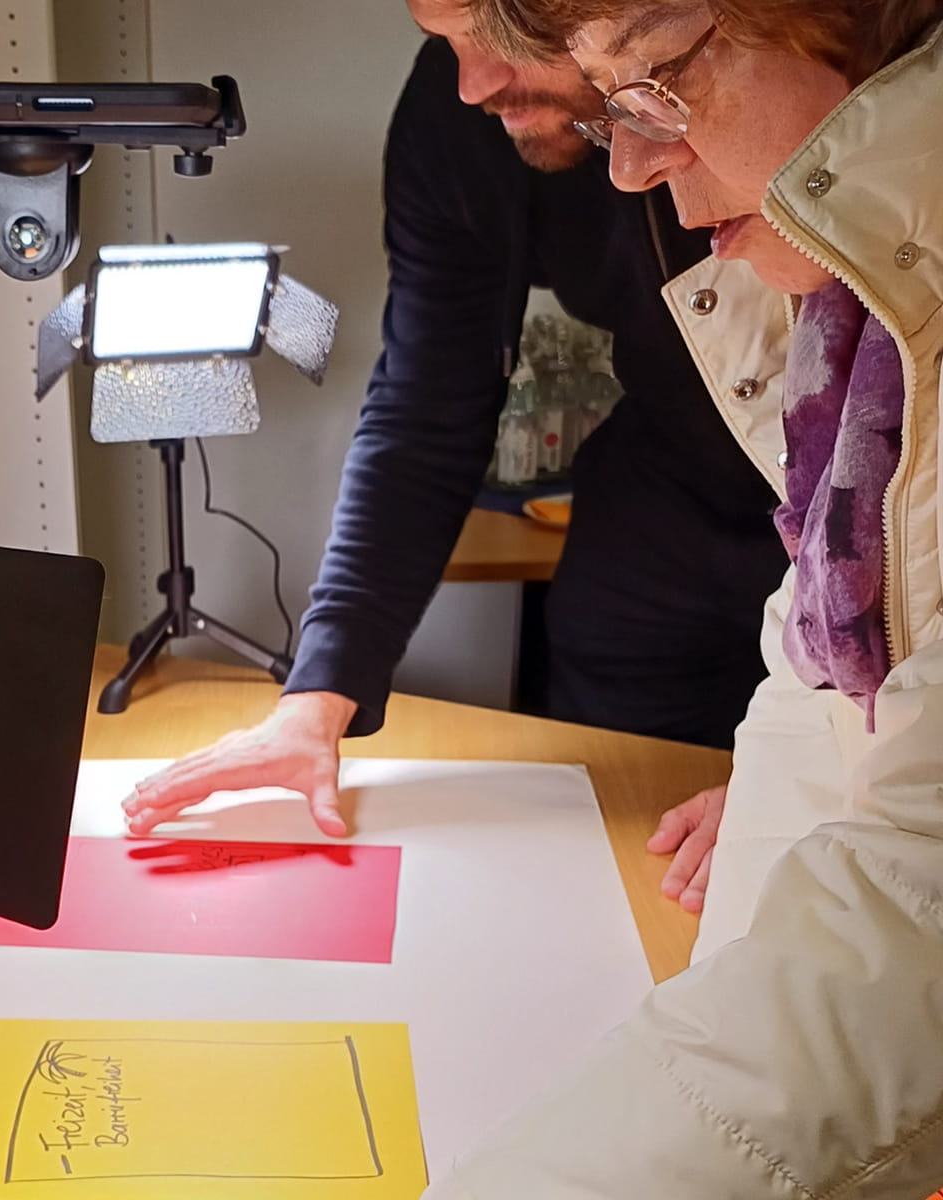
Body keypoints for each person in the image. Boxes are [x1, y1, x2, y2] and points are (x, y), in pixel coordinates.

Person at [408, 0, 943, 1192]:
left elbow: (912, 924)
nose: (631, 169)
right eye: (613, 106)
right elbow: (820, 698)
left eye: (655, 77)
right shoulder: (845, 357)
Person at [123, 0, 784, 914]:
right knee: (613, 867)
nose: (472, 83)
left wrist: (805, 766)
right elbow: (426, 406)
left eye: (497, 33)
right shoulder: (460, 113)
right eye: (442, 39)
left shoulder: (793, 79)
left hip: (883, 507)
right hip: (665, 497)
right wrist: (320, 692)